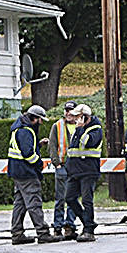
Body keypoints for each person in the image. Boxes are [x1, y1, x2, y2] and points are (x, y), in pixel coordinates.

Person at [7, 104, 51, 244]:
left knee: (20, 204)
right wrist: (39, 163)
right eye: (40, 119)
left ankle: (17, 233)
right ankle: (43, 232)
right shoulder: (26, 131)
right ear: (34, 118)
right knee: (34, 202)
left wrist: (38, 145)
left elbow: (24, 148)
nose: (41, 123)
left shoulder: (19, 128)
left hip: (17, 172)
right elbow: (27, 154)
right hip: (27, 173)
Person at [63, 104, 103, 242]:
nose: (74, 119)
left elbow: (88, 142)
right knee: (69, 198)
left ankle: (89, 231)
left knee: (87, 200)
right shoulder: (78, 129)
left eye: (77, 116)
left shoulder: (95, 129)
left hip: (88, 170)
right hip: (74, 171)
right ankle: (87, 222)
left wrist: (80, 129)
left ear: (85, 116)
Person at [46, 100, 79, 242]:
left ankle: (69, 226)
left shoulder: (80, 126)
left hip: (76, 167)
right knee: (61, 198)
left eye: (71, 110)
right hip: (63, 166)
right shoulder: (57, 126)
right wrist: (57, 163)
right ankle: (58, 227)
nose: (68, 113)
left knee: (73, 199)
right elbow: (52, 145)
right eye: (66, 110)